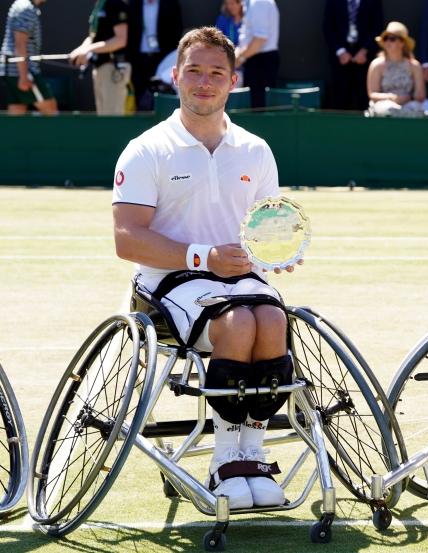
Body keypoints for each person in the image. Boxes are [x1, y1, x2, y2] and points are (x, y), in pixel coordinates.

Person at [112, 27, 294, 509]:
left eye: (216, 72)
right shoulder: (146, 148)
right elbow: (127, 238)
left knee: (274, 320)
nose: (204, 82)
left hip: (244, 282)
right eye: (194, 71)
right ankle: (224, 460)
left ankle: (252, 455)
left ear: (233, 81)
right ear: (175, 76)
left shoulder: (255, 149)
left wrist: (279, 251)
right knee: (237, 324)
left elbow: (270, 226)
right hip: (168, 285)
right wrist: (203, 257)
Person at [69, 0, 130, 115]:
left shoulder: (116, 4)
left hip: (114, 68)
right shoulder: (100, 4)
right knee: (103, 118)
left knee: (112, 119)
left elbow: (121, 40)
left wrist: (87, 49)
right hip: (100, 68)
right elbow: (93, 36)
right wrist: (82, 50)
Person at [323, 0, 384, 111]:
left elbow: (378, 28)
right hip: (339, 61)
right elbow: (328, 28)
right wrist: (340, 51)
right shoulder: (332, 2)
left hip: (365, 61)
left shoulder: (374, 2)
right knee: (340, 101)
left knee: (363, 102)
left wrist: (365, 50)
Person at [367, 21, 428, 116]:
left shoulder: (414, 65)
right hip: (385, 104)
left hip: (409, 104)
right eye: (385, 38)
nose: (387, 42)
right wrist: (391, 98)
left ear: (402, 43)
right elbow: (373, 94)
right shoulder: (376, 64)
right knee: (389, 110)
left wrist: (407, 98)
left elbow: (420, 95)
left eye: (392, 39)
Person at [0, 0, 57, 115]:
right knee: (50, 110)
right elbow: (19, 44)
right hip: (21, 72)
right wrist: (24, 76)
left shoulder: (22, 5)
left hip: (12, 71)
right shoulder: (26, 8)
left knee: (17, 111)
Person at [127, 0, 183, 111]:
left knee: (162, 98)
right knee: (139, 99)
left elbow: (177, 30)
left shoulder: (171, 4)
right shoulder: (133, 4)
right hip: (138, 61)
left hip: (163, 59)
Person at [235, 0, 280, 109]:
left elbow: (260, 39)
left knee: (259, 108)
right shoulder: (251, 3)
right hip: (255, 60)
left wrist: (239, 58)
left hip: (261, 63)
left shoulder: (259, 2)